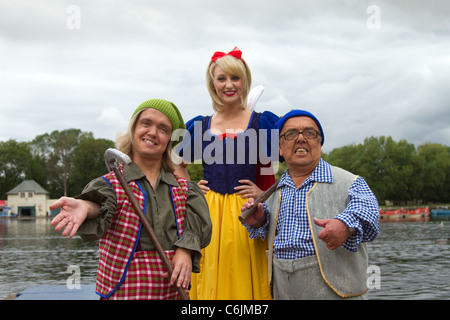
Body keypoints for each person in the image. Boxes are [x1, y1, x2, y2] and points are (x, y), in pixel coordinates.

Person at [50, 98, 212, 300]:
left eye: (163, 129)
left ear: (170, 140)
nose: (152, 132)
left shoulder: (186, 190)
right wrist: (84, 206)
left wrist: (186, 251)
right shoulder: (111, 184)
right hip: (123, 293)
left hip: (171, 293)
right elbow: (99, 204)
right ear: (133, 128)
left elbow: (199, 228)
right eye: (146, 123)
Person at [241, 109, 380, 300]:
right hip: (283, 291)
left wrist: (345, 225)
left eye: (309, 133)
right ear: (280, 148)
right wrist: (260, 220)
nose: (300, 139)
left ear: (319, 144)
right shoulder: (274, 192)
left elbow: (370, 210)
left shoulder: (349, 181)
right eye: (290, 134)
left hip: (337, 293)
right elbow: (269, 230)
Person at [176, 47, 279, 300]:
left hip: (247, 211)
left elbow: (286, 165)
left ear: (245, 81)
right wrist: (188, 189)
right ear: (213, 83)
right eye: (222, 78)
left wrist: (263, 193)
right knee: (209, 272)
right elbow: (176, 163)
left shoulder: (261, 122)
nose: (229, 84)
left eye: (235, 78)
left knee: (244, 274)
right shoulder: (200, 125)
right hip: (207, 211)